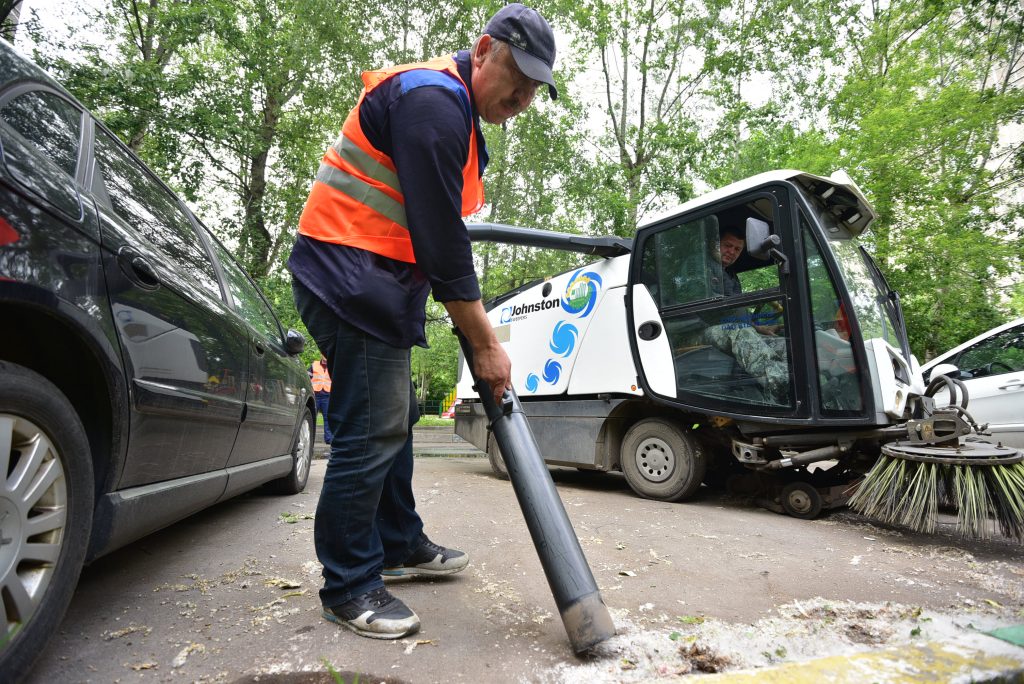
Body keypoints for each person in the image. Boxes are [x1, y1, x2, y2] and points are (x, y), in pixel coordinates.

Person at [287, 4, 558, 640]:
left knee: (395, 416)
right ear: (484, 49)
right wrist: (485, 344)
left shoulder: (452, 107)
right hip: (348, 279)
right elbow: (442, 246)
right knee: (370, 429)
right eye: (515, 77)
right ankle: (349, 584)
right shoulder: (435, 104)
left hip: (372, 282)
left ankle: (399, 542)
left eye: (532, 90)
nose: (521, 97)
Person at [702, 226, 790, 403]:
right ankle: (781, 384)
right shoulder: (700, 267)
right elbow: (712, 311)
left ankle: (798, 382)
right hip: (698, 330)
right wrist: (749, 327)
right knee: (740, 331)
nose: (732, 252)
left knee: (780, 342)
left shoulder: (731, 275)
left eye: (737, 249)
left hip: (726, 328)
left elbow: (735, 310)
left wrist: (760, 329)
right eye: (728, 245)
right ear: (714, 244)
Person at [308, 354, 333, 445]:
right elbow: (308, 377)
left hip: (327, 396)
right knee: (312, 417)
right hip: (315, 395)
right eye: (324, 354)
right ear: (321, 355)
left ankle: (329, 439)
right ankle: (310, 439)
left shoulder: (333, 365)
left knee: (327, 418)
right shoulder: (314, 365)